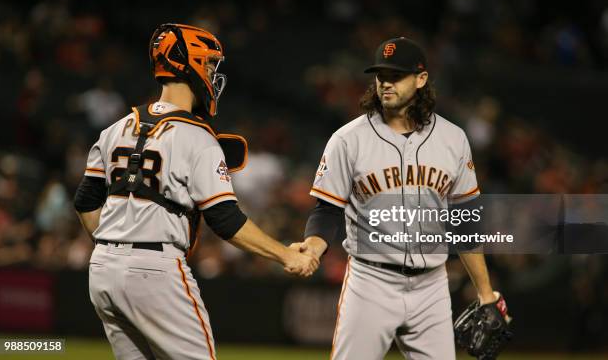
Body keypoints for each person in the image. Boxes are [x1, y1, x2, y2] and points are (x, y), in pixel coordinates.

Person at [73, 23, 318, 360]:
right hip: (155, 269)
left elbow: (85, 202)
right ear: (187, 65)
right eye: (209, 63)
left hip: (102, 269)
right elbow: (225, 219)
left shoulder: (115, 129)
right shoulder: (197, 136)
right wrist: (286, 255)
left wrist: (113, 246)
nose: (212, 73)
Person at [291, 37, 509, 359]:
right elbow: (327, 210)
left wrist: (485, 292)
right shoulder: (348, 140)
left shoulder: (452, 139)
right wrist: (313, 246)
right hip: (370, 282)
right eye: (381, 75)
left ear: (421, 79)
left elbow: (465, 221)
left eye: (396, 76)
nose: (385, 83)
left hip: (432, 286)